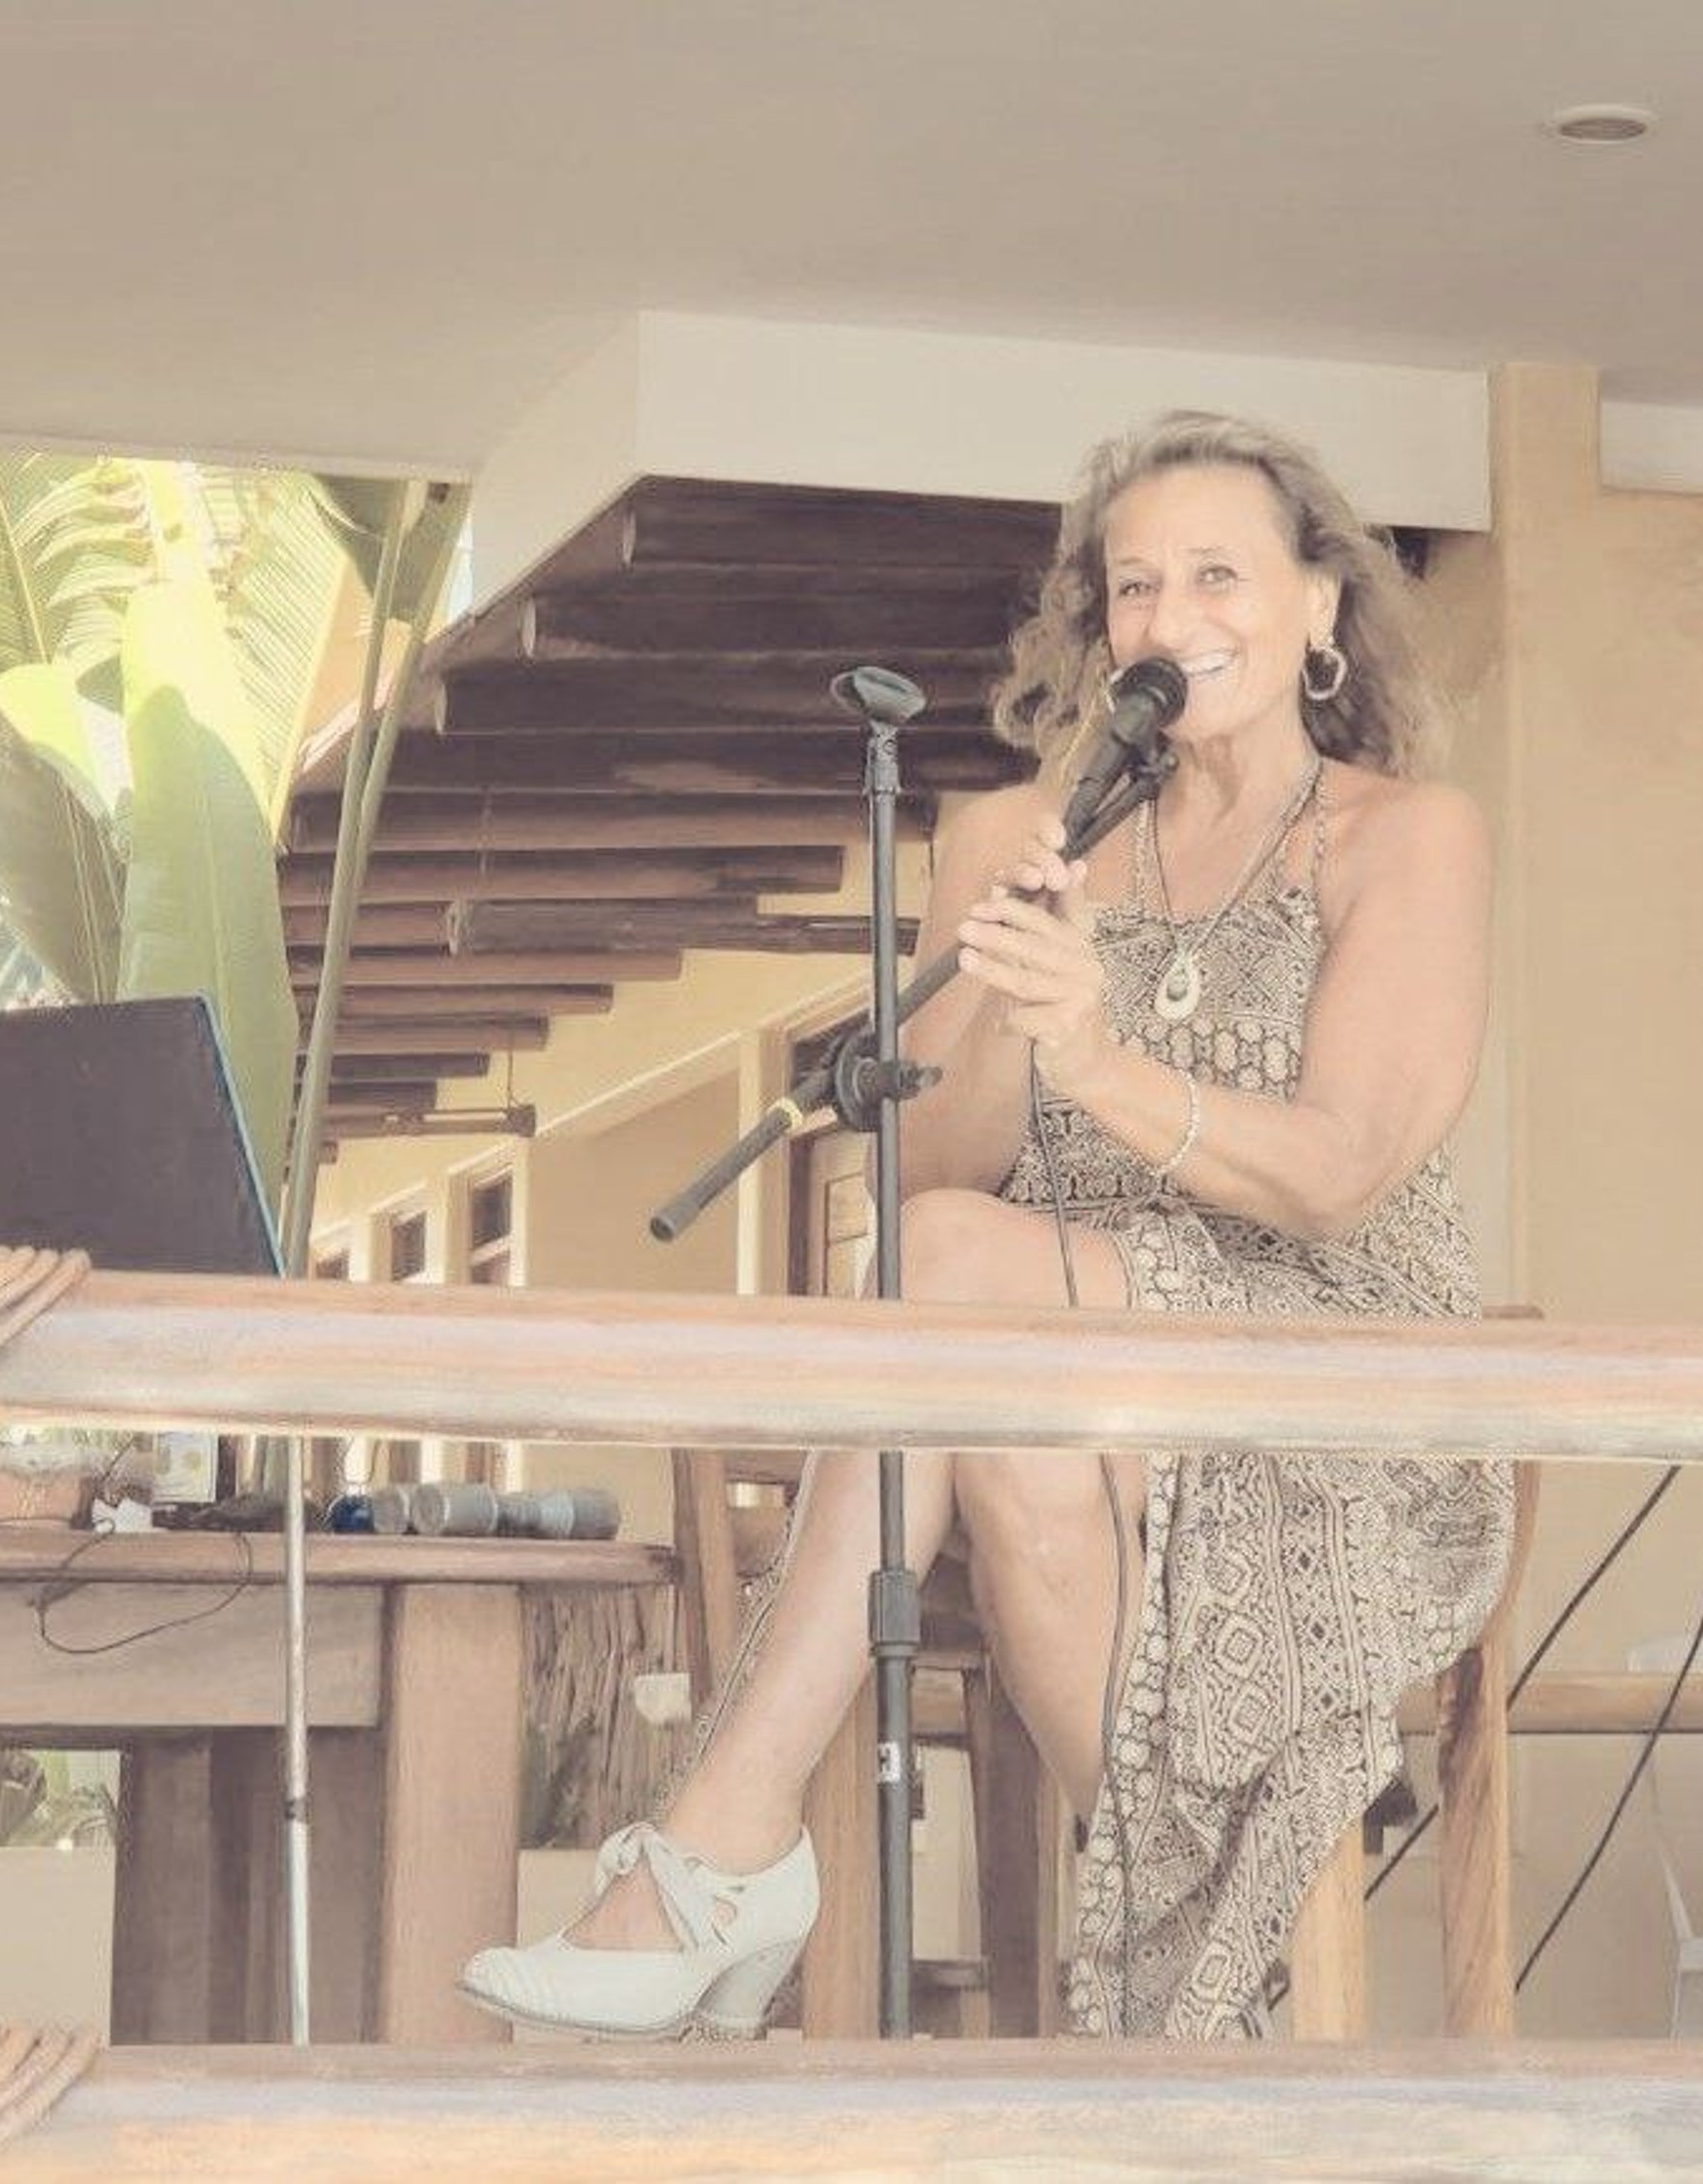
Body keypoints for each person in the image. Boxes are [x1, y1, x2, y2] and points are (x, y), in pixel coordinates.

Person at [460, 409, 1516, 2041]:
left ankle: (720, 1853)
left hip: (1334, 1399)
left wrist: (1101, 1058)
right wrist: (1025, 982)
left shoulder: (1403, 834)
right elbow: (938, 1168)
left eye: (1219, 575)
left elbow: (1346, 1171)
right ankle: (1196, 2004)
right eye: (1137, 586)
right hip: (1072, 1386)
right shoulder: (1015, 838)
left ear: (1319, 606)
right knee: (997, 1382)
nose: (1173, 620)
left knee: (960, 1289)